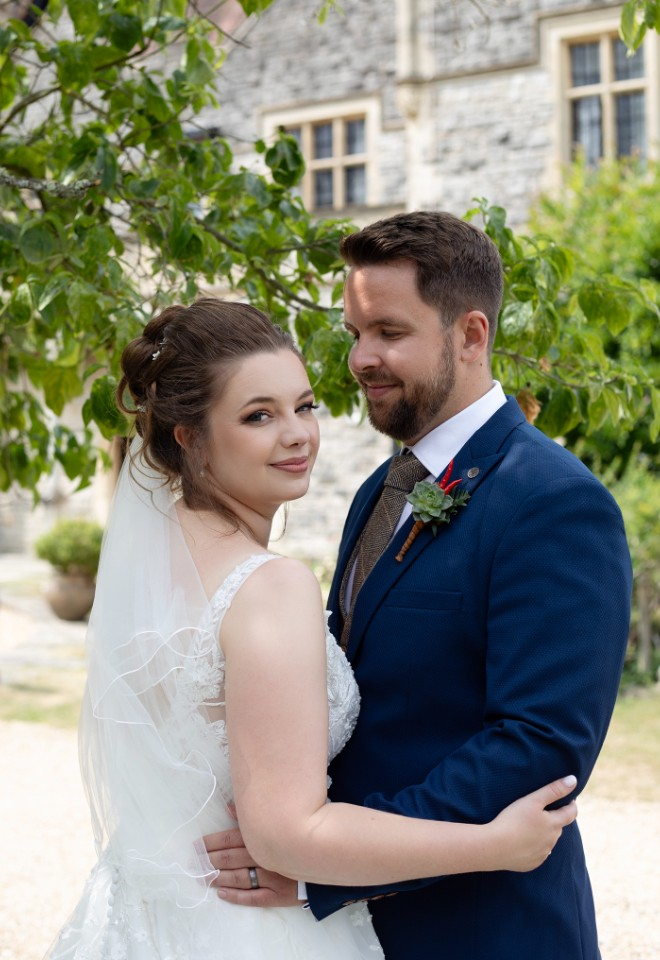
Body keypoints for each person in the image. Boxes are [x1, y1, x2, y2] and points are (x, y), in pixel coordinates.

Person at [45, 298, 578, 960]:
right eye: (258, 415)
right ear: (191, 437)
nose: (297, 434)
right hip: (249, 930)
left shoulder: (155, 570)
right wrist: (494, 845)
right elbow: (285, 836)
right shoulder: (267, 586)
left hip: (144, 915)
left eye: (305, 406)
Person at [209, 214, 632, 960]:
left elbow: (539, 744)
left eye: (388, 333)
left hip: (485, 926)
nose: (361, 359)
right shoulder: (381, 489)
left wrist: (323, 866)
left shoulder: (554, 501)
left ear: (471, 336)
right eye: (353, 332)